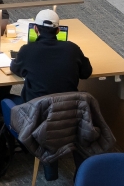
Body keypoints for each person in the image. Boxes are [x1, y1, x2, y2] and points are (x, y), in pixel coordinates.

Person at [9, 9, 93, 181]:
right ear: (58, 30)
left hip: (37, 116)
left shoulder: (27, 50)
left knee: (6, 101)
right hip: (70, 112)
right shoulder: (72, 49)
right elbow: (86, 72)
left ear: (36, 30)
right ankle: (83, 170)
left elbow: (15, 69)